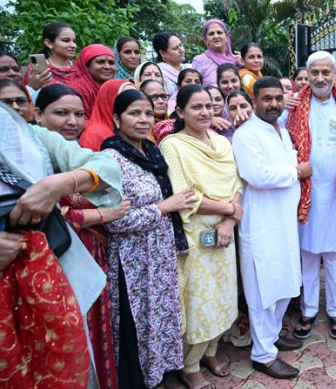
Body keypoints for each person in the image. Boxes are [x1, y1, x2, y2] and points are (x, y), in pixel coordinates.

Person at [0, 102, 122, 388]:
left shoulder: (29, 139)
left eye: (19, 105)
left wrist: (62, 182)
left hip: (45, 279)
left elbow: (105, 167)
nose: (13, 109)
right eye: (7, 103)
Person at [33, 83, 127, 389]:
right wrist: (99, 215)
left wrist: (71, 198)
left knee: (91, 328)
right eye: (61, 113)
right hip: (46, 261)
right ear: (37, 115)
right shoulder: (28, 156)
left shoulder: (83, 154)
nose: (72, 121)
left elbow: (110, 188)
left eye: (78, 114)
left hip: (90, 250)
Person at [102, 89, 195, 388]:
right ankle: (141, 379)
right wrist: (164, 207)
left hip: (160, 250)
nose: (143, 120)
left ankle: (162, 372)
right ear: (117, 118)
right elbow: (115, 220)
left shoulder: (152, 152)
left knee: (161, 317)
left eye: (146, 113)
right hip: (133, 259)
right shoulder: (109, 158)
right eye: (134, 113)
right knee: (137, 321)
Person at [160, 85, 243, 389]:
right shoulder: (173, 145)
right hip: (195, 233)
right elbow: (185, 195)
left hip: (225, 229)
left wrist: (229, 221)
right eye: (196, 107)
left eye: (209, 106)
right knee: (198, 300)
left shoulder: (222, 142)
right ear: (180, 112)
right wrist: (230, 209)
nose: (206, 112)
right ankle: (190, 363)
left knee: (223, 294)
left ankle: (211, 351)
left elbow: (237, 180)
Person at [286, 51, 336, 340]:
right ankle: (308, 310)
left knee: (334, 256)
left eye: (325, 72)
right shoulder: (293, 107)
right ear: (308, 74)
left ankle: (335, 311)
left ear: (334, 75)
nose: (320, 78)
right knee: (306, 255)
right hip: (303, 194)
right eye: (314, 72)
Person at [232, 77, 303, 379]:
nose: (274, 103)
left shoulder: (281, 129)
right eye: (266, 99)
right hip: (260, 224)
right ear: (254, 101)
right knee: (262, 290)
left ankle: (271, 337)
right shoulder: (245, 134)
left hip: (284, 223)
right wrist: (297, 172)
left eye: (278, 98)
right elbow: (257, 175)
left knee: (285, 282)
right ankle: (262, 354)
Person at [78, 79, 136, 151]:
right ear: (109, 101)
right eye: (126, 98)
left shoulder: (131, 131)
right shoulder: (94, 136)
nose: (134, 103)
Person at [67, 44, 116, 122]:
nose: (107, 66)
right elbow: (77, 122)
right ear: (86, 66)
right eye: (100, 62)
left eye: (111, 63)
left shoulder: (114, 87)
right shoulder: (77, 89)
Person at [23, 22, 77, 89]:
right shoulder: (37, 69)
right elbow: (25, 95)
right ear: (49, 43)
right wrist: (32, 87)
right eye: (66, 40)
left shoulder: (79, 68)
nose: (73, 45)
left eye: (74, 41)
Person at [192, 19, 243, 87]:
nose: (216, 36)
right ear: (206, 40)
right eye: (211, 34)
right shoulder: (199, 60)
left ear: (226, 37)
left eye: (219, 32)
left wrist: (245, 63)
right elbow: (193, 87)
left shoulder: (237, 59)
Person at [153, 31, 191, 99]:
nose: (181, 50)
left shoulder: (190, 68)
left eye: (181, 45)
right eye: (175, 48)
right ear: (162, 53)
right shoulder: (158, 73)